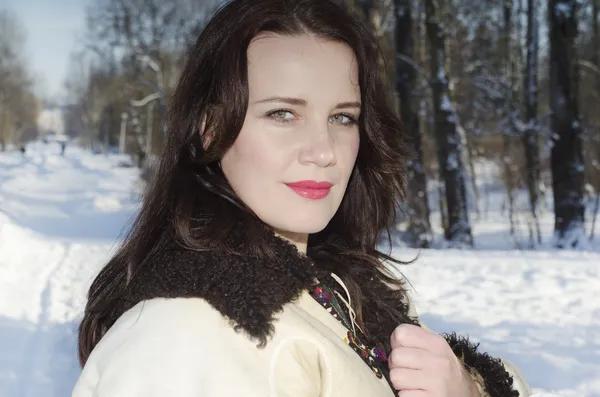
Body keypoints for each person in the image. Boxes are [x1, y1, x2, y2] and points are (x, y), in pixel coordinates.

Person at [73, 0, 531, 396]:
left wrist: (467, 387)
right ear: (211, 130)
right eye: (283, 113)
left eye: (343, 118)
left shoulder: (346, 285)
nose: (324, 151)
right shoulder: (195, 331)